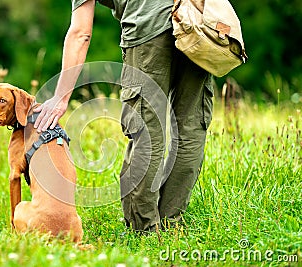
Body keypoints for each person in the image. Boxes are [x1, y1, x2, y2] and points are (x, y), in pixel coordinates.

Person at [34, 0, 213, 233]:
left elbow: (81, 34)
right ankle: (172, 222)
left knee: (147, 132)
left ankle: (145, 228)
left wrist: (61, 96)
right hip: (198, 24)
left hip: (149, 29)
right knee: (191, 130)